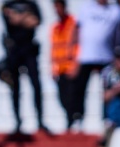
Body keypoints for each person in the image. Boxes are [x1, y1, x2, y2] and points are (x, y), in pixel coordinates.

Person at [75, 0, 120, 124]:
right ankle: (78, 117)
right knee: (79, 89)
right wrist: (73, 53)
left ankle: (106, 118)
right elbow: (77, 29)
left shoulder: (116, 11)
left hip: (106, 56)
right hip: (86, 56)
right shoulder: (86, 8)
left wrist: (117, 54)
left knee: (107, 89)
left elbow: (119, 34)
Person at [1, 0, 44, 133]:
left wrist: (18, 17)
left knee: (36, 84)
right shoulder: (7, 4)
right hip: (14, 50)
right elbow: (12, 21)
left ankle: (40, 120)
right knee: (15, 87)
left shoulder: (32, 4)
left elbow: (35, 22)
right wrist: (26, 17)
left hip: (29, 50)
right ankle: (18, 122)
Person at [49, 0, 81, 129]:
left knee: (72, 97)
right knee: (62, 97)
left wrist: (76, 63)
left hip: (70, 66)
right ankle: (71, 119)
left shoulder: (73, 23)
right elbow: (53, 48)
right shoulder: (55, 27)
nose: (57, 10)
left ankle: (73, 120)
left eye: (58, 7)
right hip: (60, 68)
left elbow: (78, 44)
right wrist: (53, 67)